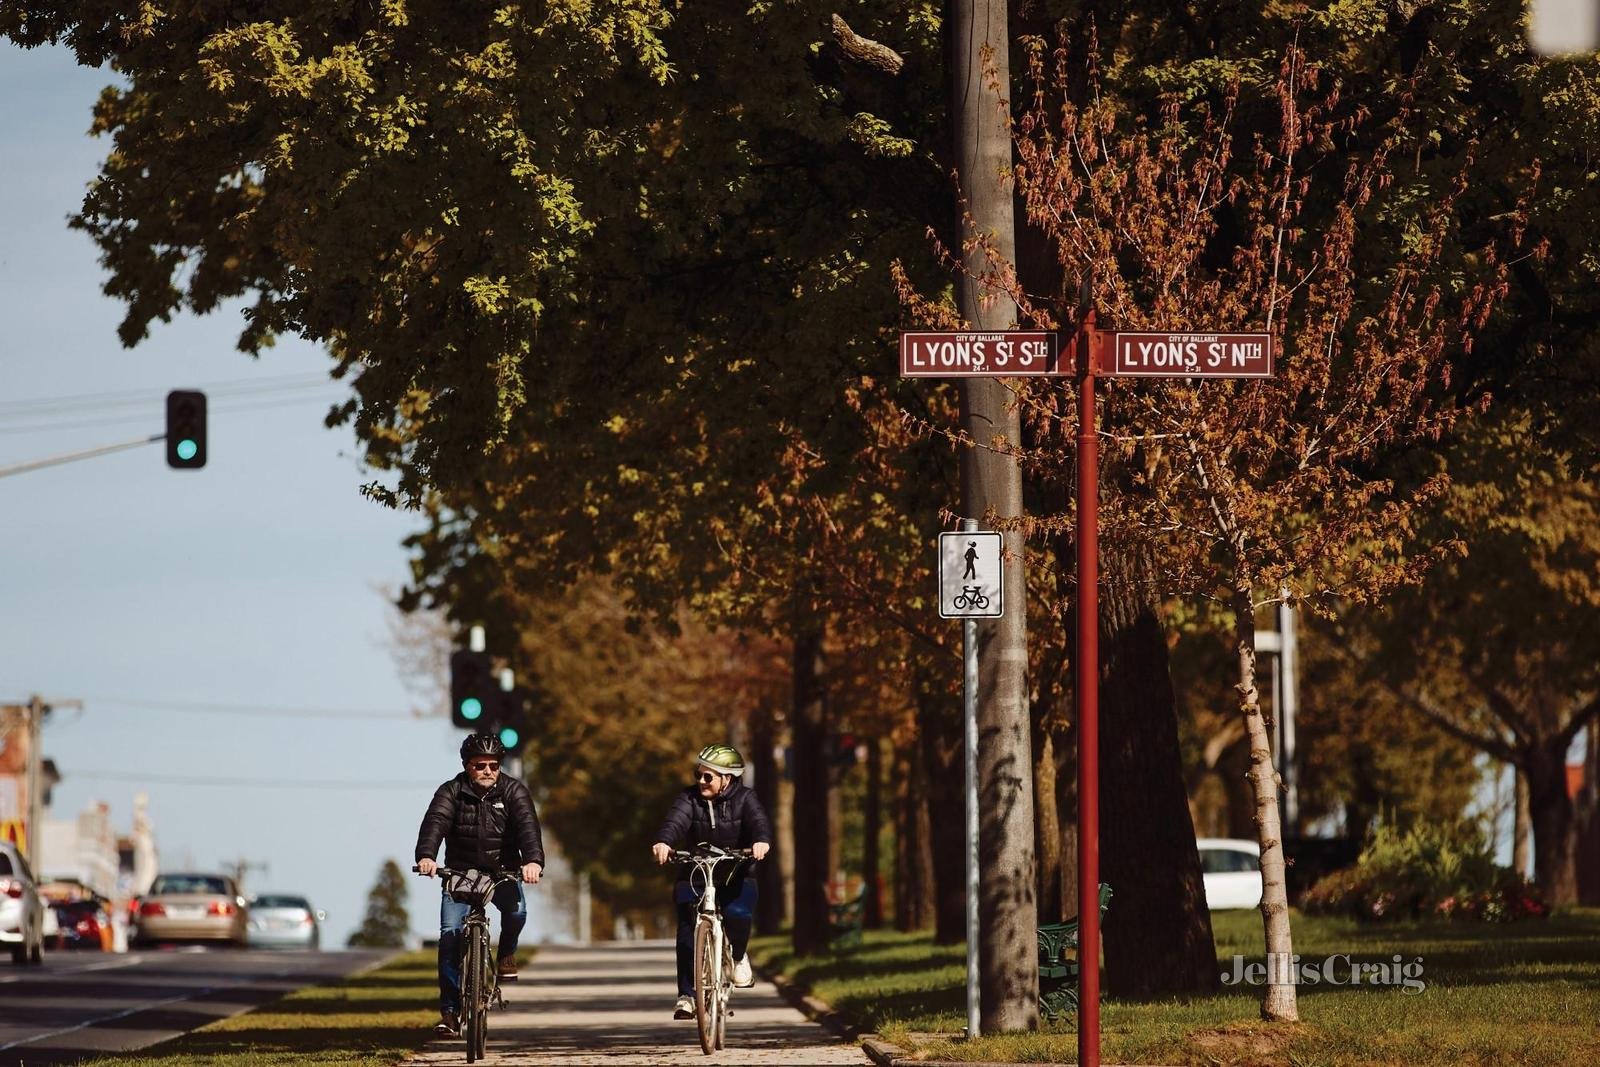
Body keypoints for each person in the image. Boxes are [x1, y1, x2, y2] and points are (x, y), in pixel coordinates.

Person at [415, 733, 545, 1037]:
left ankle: (506, 955)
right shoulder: (451, 791)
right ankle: (449, 1012)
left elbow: (528, 828)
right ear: (466, 765)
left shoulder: (515, 792)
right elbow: (435, 823)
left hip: (504, 873)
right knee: (449, 936)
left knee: (516, 913)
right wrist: (426, 857)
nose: (487, 771)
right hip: (460, 873)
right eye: (480, 765)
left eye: (493, 765)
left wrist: (533, 862)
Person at [651, 744, 773, 1020]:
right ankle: (686, 995)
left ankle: (739, 956)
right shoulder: (689, 798)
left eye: (708, 776)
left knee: (737, 913)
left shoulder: (746, 798)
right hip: (695, 870)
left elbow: (760, 823)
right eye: (699, 774)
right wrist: (664, 842)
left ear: (726, 779)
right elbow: (675, 822)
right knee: (685, 930)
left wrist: (761, 842)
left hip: (736, 871)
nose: (701, 781)